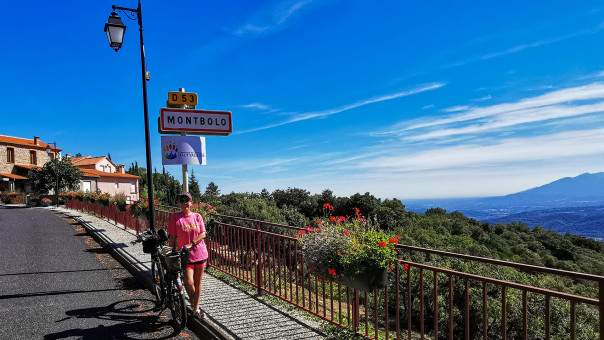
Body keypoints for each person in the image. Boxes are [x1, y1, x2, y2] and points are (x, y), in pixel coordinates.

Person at [167, 192, 208, 318]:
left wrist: (191, 243)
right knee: (188, 282)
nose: (185, 202)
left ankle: (195, 308)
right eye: (182, 200)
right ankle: (195, 304)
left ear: (191, 203)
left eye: (187, 200)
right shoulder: (175, 217)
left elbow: (203, 234)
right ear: (179, 203)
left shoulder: (197, 216)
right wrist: (170, 251)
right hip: (185, 255)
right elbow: (173, 237)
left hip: (200, 253)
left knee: (198, 282)